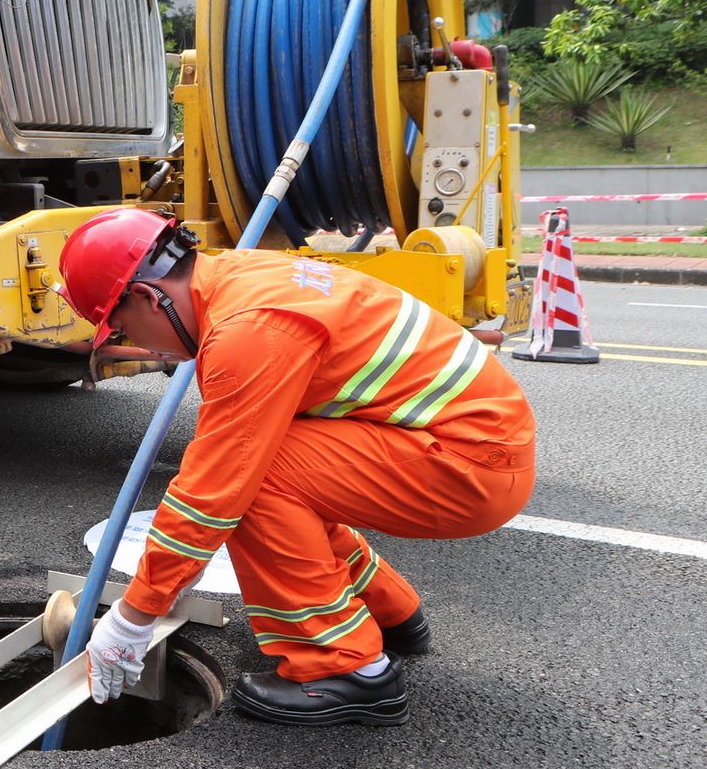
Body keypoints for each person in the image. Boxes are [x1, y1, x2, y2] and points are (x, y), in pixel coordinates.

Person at [56, 208, 536, 724]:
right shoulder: (239, 277)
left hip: (472, 465)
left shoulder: (249, 331)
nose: (145, 346)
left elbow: (210, 494)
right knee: (273, 458)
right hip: (470, 440)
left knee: (250, 475)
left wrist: (133, 617)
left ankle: (344, 668)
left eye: (123, 324)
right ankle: (385, 609)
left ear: (150, 298)